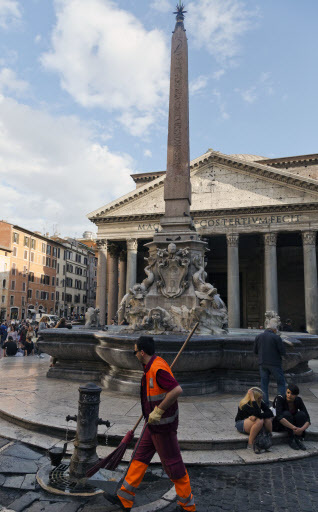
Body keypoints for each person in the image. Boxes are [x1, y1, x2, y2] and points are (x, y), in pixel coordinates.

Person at [104, 335, 196, 512]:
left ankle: (187, 505)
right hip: (152, 423)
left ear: (142, 352)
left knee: (172, 464)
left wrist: (159, 410)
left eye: (135, 351)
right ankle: (125, 497)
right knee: (139, 455)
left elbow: (177, 390)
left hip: (163, 426)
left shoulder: (157, 368)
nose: (135, 354)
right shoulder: (151, 366)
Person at [254, 319, 286, 405]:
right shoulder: (276, 337)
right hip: (275, 364)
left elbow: (255, 351)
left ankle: (265, 403)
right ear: (274, 329)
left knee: (264, 384)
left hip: (262, 363)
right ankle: (280, 403)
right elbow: (282, 352)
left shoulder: (258, 336)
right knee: (281, 382)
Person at [273, 384, 310, 450]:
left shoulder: (298, 400)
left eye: (292, 394)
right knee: (286, 414)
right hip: (281, 424)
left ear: (296, 395)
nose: (289, 395)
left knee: (301, 414)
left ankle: (298, 439)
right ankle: (291, 439)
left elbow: (307, 418)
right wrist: (294, 428)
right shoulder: (280, 399)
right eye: (288, 392)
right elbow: (279, 417)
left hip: (294, 425)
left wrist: (301, 429)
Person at [235, 387, 273, 453]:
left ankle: (268, 437)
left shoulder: (259, 402)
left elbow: (270, 413)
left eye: (261, 397)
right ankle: (250, 443)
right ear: (254, 397)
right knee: (260, 420)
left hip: (254, 423)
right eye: (259, 397)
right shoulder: (245, 404)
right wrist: (253, 399)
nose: (261, 399)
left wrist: (258, 416)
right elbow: (257, 412)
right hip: (241, 423)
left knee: (267, 419)